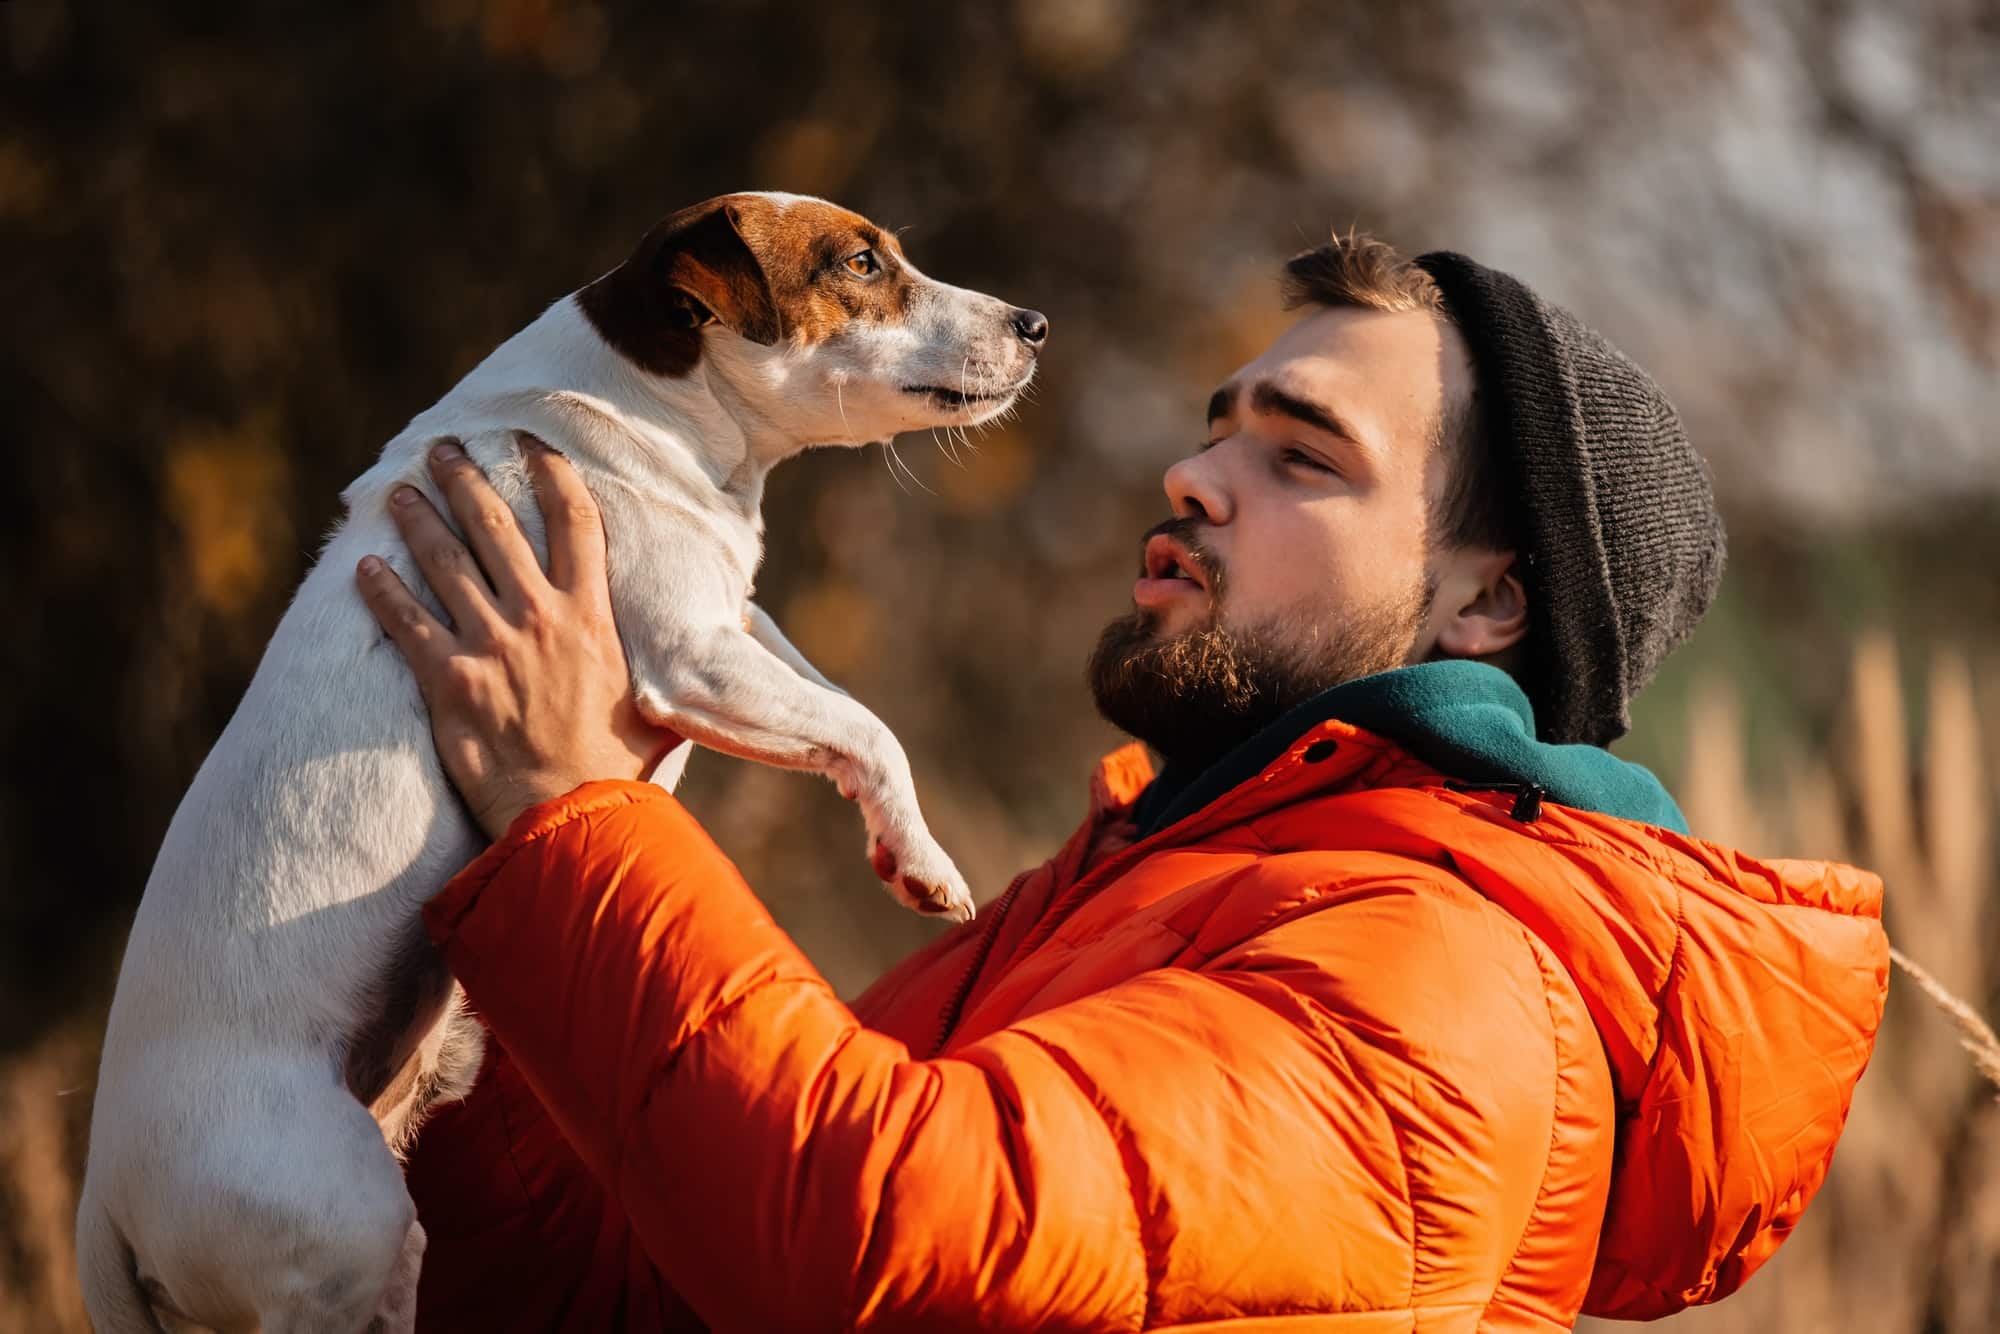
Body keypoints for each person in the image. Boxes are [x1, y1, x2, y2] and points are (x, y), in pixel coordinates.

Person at [355, 235, 1890, 1332]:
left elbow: (873, 1240)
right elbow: (608, 1293)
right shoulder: (1115, 896)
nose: (1194, 476)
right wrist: (482, 968)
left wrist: (578, 827)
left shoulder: (1436, 976)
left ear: (1485, 606)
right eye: (1218, 427)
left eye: (1303, 458)